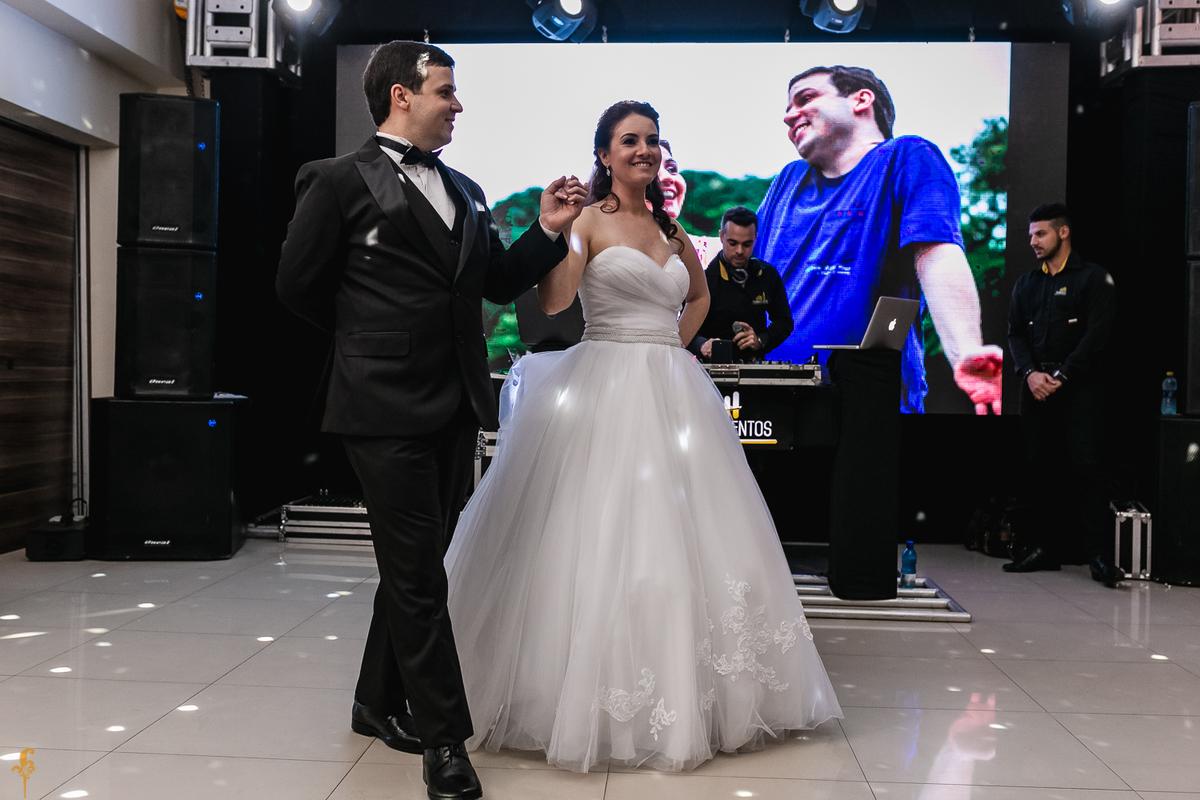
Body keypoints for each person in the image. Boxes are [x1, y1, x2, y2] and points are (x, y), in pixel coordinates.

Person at [443, 101, 842, 773]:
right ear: (604, 154)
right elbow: (554, 303)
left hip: (673, 386)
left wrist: (670, 343)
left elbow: (700, 298)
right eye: (630, 140)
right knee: (601, 530)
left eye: (653, 140)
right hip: (606, 380)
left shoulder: (672, 228)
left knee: (690, 533)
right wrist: (560, 230)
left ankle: (698, 691)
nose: (645, 150)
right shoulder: (589, 221)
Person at [276, 41, 586, 800]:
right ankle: (445, 741)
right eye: (446, 90)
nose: (457, 104)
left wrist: (547, 230)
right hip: (379, 404)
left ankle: (372, 700)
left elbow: (495, 283)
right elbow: (296, 285)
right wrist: (370, 338)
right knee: (419, 575)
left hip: (456, 402)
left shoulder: (468, 190)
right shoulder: (336, 180)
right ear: (401, 95)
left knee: (417, 565)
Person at [754, 65, 1003, 414]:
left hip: (866, 404)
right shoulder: (788, 179)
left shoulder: (906, 156)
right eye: (787, 108)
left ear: (861, 100)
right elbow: (741, 265)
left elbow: (937, 256)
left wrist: (965, 350)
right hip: (769, 402)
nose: (788, 116)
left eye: (805, 99)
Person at [1003, 203, 1120, 586]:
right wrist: (1030, 374)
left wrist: (1062, 375)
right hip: (1036, 387)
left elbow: (1097, 336)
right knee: (1041, 469)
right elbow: (1015, 334)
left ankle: (1099, 556)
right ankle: (1043, 548)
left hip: (1080, 388)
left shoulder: (1094, 278)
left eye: (1041, 234)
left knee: (1088, 469)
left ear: (1063, 233)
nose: (1033, 241)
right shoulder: (1027, 283)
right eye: (1031, 235)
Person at [688, 206, 794, 362]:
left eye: (747, 244)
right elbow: (682, 329)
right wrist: (702, 345)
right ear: (721, 237)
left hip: (753, 366)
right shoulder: (703, 280)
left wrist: (761, 340)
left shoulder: (767, 275)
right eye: (732, 243)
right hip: (710, 369)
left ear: (755, 239)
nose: (739, 251)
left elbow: (784, 322)